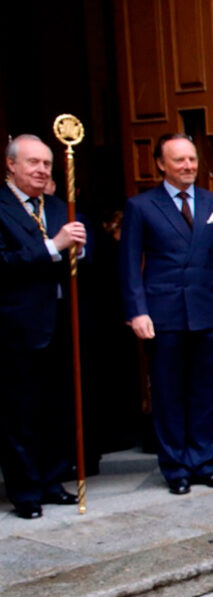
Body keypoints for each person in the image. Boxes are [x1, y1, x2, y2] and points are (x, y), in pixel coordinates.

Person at [119, 133, 213, 495]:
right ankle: (175, 468)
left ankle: (205, 463)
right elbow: (128, 265)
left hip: (205, 313)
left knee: (205, 392)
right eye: (179, 161)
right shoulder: (141, 207)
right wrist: (136, 312)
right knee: (169, 393)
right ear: (161, 164)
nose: (188, 166)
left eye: (192, 160)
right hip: (163, 315)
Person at [0, 134, 86, 519]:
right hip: (16, 326)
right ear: (11, 165)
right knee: (20, 413)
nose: (41, 170)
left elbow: (84, 247)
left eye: (47, 164)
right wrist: (54, 246)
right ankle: (26, 491)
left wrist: (80, 247)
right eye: (33, 163)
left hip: (60, 321)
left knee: (58, 408)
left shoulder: (57, 205)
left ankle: (53, 481)